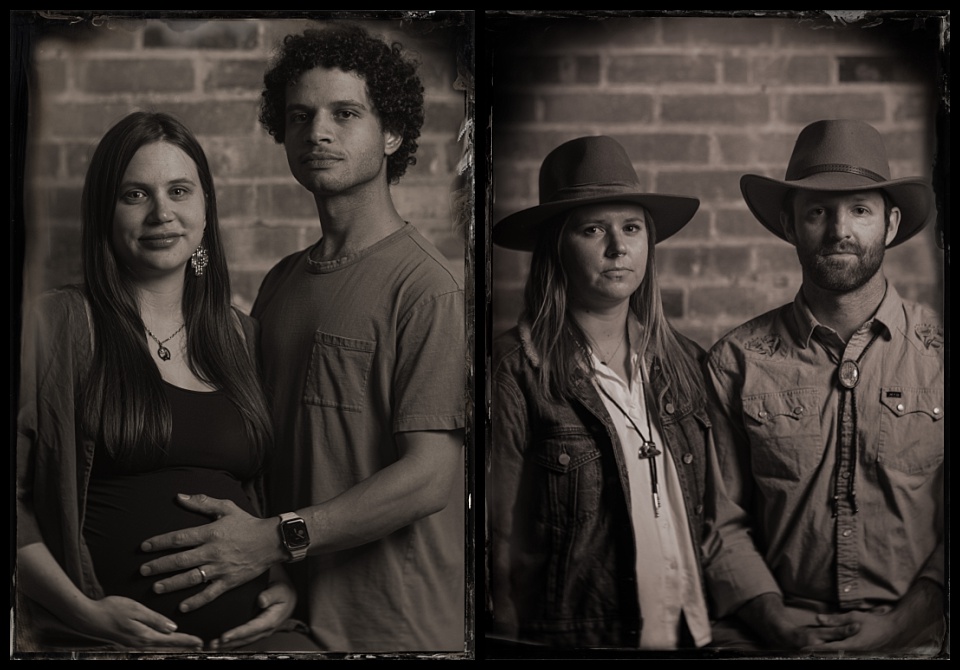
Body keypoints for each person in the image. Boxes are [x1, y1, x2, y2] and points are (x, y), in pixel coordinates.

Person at [134, 23, 467, 653]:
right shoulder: (282, 282)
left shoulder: (426, 287)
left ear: (391, 133)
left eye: (345, 114)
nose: (318, 131)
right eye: (300, 115)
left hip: (394, 624)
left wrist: (268, 538)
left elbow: (429, 478)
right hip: (287, 613)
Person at [14, 111, 315, 652]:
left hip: (251, 638)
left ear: (204, 210)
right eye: (135, 195)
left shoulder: (239, 335)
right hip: (104, 640)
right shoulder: (55, 324)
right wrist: (84, 613)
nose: (162, 213)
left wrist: (278, 578)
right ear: (105, 212)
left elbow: (252, 496)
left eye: (179, 190)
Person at [702, 119, 945, 655]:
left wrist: (901, 624)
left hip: (918, 640)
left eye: (860, 209)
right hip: (772, 637)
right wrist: (775, 622)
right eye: (818, 211)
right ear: (790, 224)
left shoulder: (940, 354)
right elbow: (722, 520)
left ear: (890, 222)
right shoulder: (737, 361)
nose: (840, 230)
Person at [487, 135, 714, 650]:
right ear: (556, 246)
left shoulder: (687, 364)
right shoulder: (515, 372)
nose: (618, 247)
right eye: (594, 229)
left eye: (631, 228)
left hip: (690, 630)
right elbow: (497, 538)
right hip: (581, 636)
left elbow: (715, 516)